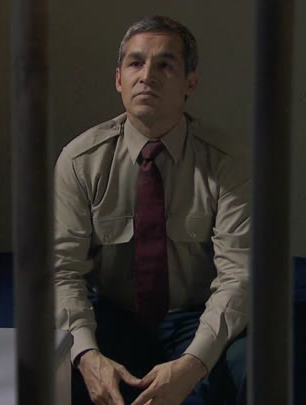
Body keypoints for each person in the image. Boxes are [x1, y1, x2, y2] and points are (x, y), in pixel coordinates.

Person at [53, 15, 250, 405]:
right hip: (113, 316)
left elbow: (239, 275)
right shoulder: (79, 161)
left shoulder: (228, 162)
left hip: (198, 316)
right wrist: (87, 355)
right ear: (118, 79)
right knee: (54, 370)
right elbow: (61, 271)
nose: (147, 76)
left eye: (165, 65)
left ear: (190, 83)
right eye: (135, 63)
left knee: (252, 369)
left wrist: (193, 364)